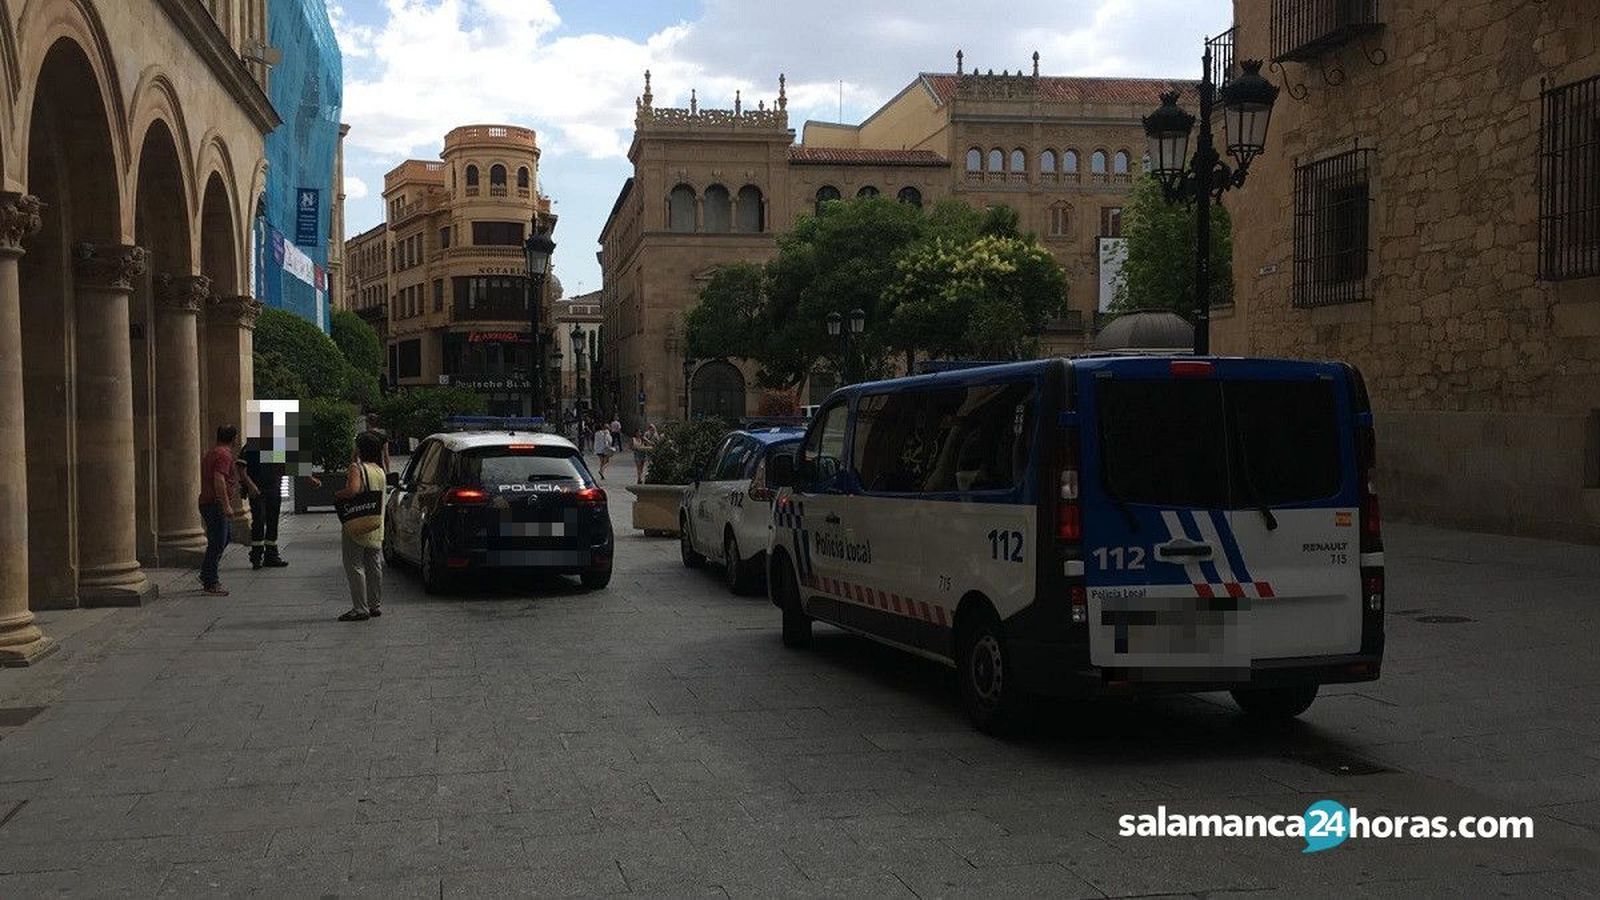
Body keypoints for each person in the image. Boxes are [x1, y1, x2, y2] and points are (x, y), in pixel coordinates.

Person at [335, 432, 387, 622]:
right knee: (374, 565)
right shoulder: (379, 470)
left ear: (360, 448)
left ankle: (360, 608)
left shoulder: (356, 468)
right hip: (375, 524)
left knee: (354, 565)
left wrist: (338, 494)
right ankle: (375, 605)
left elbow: (353, 490)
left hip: (357, 523)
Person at [196, 425, 241, 596]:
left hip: (210, 503)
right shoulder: (224, 455)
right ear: (233, 438)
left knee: (223, 538)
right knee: (217, 542)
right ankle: (210, 580)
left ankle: (207, 573)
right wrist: (226, 505)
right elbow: (219, 479)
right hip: (215, 504)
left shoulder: (213, 452)